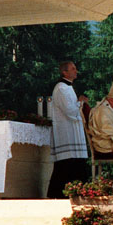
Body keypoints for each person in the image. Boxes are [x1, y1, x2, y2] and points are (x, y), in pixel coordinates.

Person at [47, 60, 91, 198]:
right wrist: (81, 102)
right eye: (73, 69)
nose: (76, 71)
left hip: (73, 132)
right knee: (66, 165)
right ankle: (58, 194)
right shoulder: (61, 88)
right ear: (64, 72)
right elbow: (70, 111)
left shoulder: (68, 87)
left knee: (75, 164)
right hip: (66, 133)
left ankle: (77, 193)